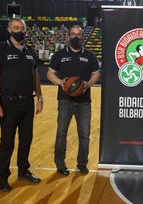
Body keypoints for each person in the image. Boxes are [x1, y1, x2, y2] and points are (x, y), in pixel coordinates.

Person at [0, 17, 44, 192]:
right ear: (9, 30)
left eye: (22, 28)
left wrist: (40, 97)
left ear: (26, 31)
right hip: (8, 103)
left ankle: (23, 171)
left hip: (27, 102)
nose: (19, 31)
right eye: (16, 28)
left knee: (26, 140)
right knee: (7, 143)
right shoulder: (1, 49)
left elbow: (35, 75)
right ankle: (3, 178)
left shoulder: (29, 51)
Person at [47, 25, 100, 176]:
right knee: (61, 133)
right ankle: (59, 163)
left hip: (84, 102)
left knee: (84, 135)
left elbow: (96, 74)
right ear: (68, 36)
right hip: (65, 101)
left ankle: (82, 163)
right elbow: (50, 73)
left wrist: (87, 84)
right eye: (73, 34)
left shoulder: (90, 55)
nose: (75, 37)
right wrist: (60, 82)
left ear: (82, 37)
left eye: (78, 34)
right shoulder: (59, 55)